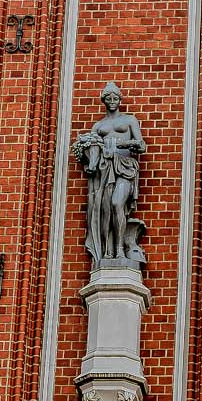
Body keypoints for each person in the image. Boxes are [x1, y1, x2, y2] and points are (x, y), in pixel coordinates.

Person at [72, 83, 147, 267]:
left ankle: (120, 248)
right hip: (105, 169)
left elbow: (141, 145)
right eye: (108, 98)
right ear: (104, 101)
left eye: (115, 98)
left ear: (119, 100)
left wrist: (121, 145)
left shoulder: (129, 120)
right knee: (105, 210)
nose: (112, 102)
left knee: (116, 203)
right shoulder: (99, 126)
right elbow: (91, 149)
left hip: (125, 167)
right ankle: (108, 251)